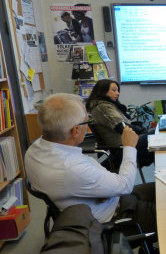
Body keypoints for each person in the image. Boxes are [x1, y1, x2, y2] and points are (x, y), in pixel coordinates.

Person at [25, 93, 157, 234]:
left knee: (162, 190)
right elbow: (125, 186)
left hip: (104, 198)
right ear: (76, 130)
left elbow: (76, 182)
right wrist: (129, 147)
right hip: (114, 218)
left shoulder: (35, 149)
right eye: (87, 122)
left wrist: (97, 190)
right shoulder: (71, 169)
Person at [85, 79, 153, 166]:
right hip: (123, 148)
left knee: (156, 139)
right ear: (103, 91)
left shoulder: (106, 105)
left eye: (117, 90)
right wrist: (142, 130)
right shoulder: (102, 107)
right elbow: (122, 127)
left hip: (125, 145)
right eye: (114, 90)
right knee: (155, 135)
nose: (117, 93)